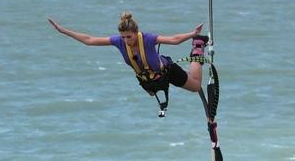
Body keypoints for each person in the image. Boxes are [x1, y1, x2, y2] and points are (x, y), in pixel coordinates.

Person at [47, 12, 209, 98]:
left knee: (195, 86)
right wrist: (63, 31)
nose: (126, 40)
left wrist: (192, 34)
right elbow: (89, 40)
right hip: (148, 81)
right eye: (123, 37)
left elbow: (173, 40)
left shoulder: (148, 39)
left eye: (129, 37)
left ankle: (197, 46)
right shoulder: (119, 41)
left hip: (167, 72)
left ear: (136, 33)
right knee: (153, 93)